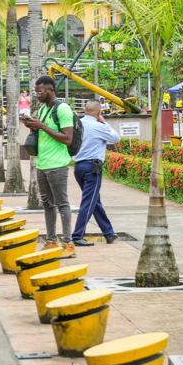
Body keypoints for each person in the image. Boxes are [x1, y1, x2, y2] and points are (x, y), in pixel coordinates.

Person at [22, 75, 76, 256]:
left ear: (51, 90)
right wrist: (33, 126)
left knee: (62, 204)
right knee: (47, 204)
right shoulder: (44, 109)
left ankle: (68, 243)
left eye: (40, 92)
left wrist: (42, 126)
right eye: (35, 92)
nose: (37, 95)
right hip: (42, 164)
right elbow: (44, 130)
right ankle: (52, 241)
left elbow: (68, 139)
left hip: (57, 165)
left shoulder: (63, 109)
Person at [71, 101, 120, 246]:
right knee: (89, 202)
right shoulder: (98, 126)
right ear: (99, 113)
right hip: (92, 168)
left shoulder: (77, 125)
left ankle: (109, 233)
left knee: (94, 201)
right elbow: (116, 138)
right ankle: (77, 235)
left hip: (78, 167)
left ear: (84, 110)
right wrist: (104, 122)